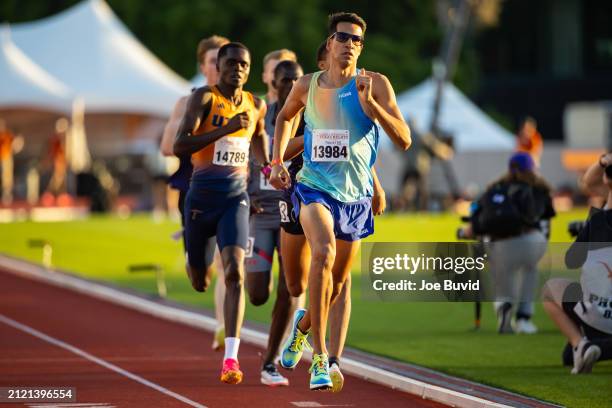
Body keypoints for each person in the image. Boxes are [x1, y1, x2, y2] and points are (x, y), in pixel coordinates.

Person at [270, 12, 411, 390]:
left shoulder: (375, 84)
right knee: (323, 252)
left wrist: (373, 108)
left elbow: (404, 139)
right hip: (314, 186)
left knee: (336, 279)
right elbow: (284, 119)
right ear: (329, 43)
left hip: (356, 197)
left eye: (357, 40)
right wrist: (278, 161)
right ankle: (318, 359)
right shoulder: (307, 85)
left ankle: (301, 330)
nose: (350, 44)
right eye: (343, 37)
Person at [174, 42, 269, 385]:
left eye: (243, 64)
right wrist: (225, 129)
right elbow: (179, 146)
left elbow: (257, 138)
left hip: (235, 200)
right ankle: (193, 259)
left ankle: (231, 359)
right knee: (200, 280)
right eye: (231, 63)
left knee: (235, 273)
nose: (237, 69)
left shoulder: (256, 104)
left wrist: (266, 170)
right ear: (220, 65)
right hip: (201, 200)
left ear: (249, 68)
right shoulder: (204, 98)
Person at [160, 35, 229, 351]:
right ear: (202, 66)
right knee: (202, 270)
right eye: (214, 61)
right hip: (193, 191)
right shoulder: (186, 103)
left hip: (229, 190)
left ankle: (223, 326)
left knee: (228, 260)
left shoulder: (240, 103)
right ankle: (193, 254)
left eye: (224, 61)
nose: (220, 67)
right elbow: (165, 147)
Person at [246, 57, 302, 387]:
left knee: (291, 288)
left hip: (293, 213)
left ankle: (270, 360)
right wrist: (246, 193)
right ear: (274, 84)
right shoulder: (260, 115)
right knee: (256, 293)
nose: (292, 85)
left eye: (297, 79)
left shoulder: (310, 118)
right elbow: (243, 155)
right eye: (285, 80)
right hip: (263, 214)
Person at [468, 152, 555, 334]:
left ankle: (503, 307)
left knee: (501, 273)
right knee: (530, 269)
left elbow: (475, 222)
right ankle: (523, 318)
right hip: (530, 242)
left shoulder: (494, 188)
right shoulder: (539, 188)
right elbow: (545, 223)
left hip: (498, 245)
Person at [542, 161, 612, 373]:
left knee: (549, 289)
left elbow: (571, 260)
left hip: (593, 314)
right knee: (567, 356)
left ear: (607, 180)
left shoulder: (597, 220)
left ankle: (581, 345)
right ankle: (592, 347)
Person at [0, 120, 16, 205]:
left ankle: (6, 195)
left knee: (7, 178)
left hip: (6, 158)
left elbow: (15, 145)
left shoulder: (7, 135)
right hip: (2, 158)